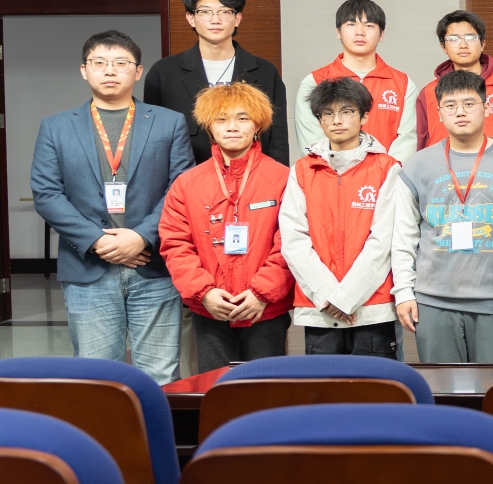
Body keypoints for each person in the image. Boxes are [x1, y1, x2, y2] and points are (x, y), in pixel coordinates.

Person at [31, 31, 193, 383]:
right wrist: (98, 241)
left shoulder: (169, 122)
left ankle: (156, 426)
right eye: (99, 63)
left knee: (161, 376)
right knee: (97, 379)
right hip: (88, 268)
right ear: (84, 70)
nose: (109, 70)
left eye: (121, 63)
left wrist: (141, 236)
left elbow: (181, 189)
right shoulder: (56, 126)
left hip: (154, 266)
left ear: (138, 71)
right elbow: (46, 193)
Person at [391, 69, 493, 363]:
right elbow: (404, 236)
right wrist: (404, 292)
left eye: (469, 103)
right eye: (450, 105)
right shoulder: (417, 166)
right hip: (433, 302)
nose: (460, 112)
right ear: (439, 113)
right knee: (441, 387)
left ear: (486, 108)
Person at [159, 83, 294, 370]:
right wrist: (204, 293)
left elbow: (291, 242)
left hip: (265, 310)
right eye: (221, 119)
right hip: (210, 310)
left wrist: (261, 293)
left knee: (266, 388)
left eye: (242, 118)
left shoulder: (284, 178)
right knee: (215, 388)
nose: (232, 127)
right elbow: (175, 243)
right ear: (209, 126)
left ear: (258, 124)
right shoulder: (187, 184)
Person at [278, 76, 403, 357]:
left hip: (372, 306)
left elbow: (383, 241)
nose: (337, 120)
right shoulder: (302, 170)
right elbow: (293, 240)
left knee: (375, 383)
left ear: (364, 116)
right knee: (324, 384)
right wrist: (328, 296)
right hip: (320, 307)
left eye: (347, 112)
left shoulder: (387, 168)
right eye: (328, 113)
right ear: (319, 121)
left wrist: (347, 298)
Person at [144, 0, 290, 164]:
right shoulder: (164, 72)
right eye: (205, 12)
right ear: (191, 18)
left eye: (225, 12)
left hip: (253, 175)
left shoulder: (264, 71)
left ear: (237, 18)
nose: (215, 20)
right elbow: (154, 139)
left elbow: (277, 138)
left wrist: (278, 178)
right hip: (186, 175)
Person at [293, 0, 415, 162]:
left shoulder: (403, 83)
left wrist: (385, 171)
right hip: (330, 175)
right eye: (351, 24)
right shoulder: (314, 82)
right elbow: (311, 142)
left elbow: (407, 140)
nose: (360, 32)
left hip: (387, 175)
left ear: (382, 34)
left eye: (369, 25)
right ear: (338, 32)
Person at [413, 10, 493, 164]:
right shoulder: (429, 92)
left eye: (471, 38)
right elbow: (422, 144)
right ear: (443, 47)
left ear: (482, 44)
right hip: (443, 173)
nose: (463, 45)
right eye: (453, 39)